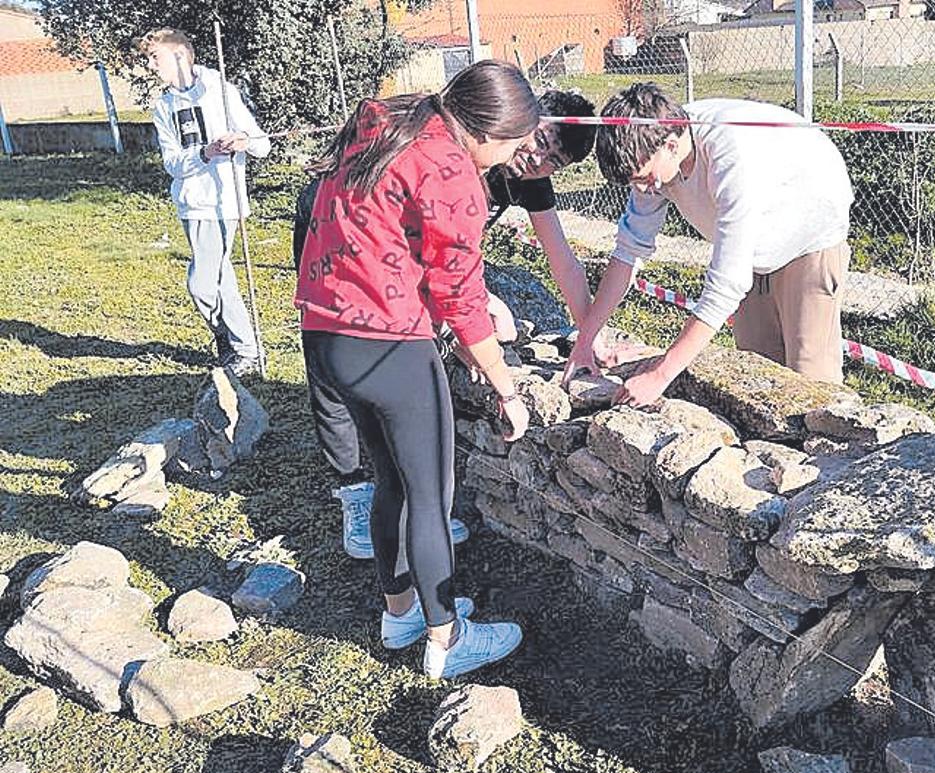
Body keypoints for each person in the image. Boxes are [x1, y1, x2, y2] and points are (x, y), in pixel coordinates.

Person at [295, 60, 535, 680]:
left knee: (391, 484)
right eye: (509, 147)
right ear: (486, 131)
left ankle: (399, 612)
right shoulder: (454, 172)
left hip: (326, 330)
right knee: (431, 497)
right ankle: (447, 639)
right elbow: (460, 294)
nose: (507, 160)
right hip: (388, 343)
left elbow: (379, 233)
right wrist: (506, 387)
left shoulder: (389, 118)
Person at [293, 90, 598, 561]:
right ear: (519, 122)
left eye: (553, 160)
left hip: (406, 258)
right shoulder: (457, 148)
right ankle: (355, 489)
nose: (536, 158)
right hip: (342, 224)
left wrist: (587, 339)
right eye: (540, 141)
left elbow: (560, 261)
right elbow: (449, 273)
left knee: (399, 363)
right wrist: (482, 344)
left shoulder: (523, 173)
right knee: (334, 348)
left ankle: (409, 499)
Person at [563, 83, 854, 405]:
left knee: (810, 380)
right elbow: (629, 250)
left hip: (808, 234)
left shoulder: (731, 158)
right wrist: (585, 342)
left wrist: (660, 375)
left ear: (672, 145)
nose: (646, 189)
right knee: (759, 373)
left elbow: (726, 285)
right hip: (754, 246)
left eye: (645, 178)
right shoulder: (652, 151)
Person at [141, 27, 268, 377]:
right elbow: (172, 164)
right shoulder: (163, 106)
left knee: (201, 283)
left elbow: (262, 143)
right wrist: (205, 152)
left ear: (180, 55)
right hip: (191, 204)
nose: (151, 66)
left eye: (156, 58)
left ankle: (235, 342)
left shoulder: (222, 92)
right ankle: (243, 348)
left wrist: (243, 141)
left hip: (223, 201)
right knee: (219, 278)